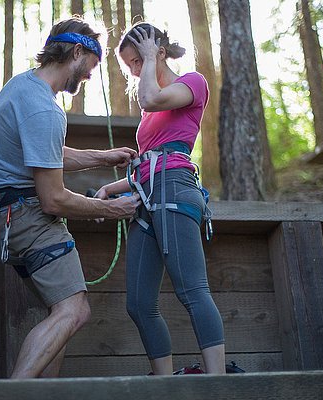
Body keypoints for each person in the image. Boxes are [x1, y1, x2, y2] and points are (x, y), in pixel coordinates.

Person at [0, 17, 141, 379]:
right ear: (77, 52)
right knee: (74, 311)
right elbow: (53, 200)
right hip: (28, 219)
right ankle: (13, 393)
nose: (88, 78)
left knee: (62, 316)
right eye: (91, 68)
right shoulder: (44, 108)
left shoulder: (23, 87)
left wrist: (102, 156)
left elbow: (42, 152)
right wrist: (113, 207)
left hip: (4, 220)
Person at [95, 22, 226, 375]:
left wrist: (151, 59)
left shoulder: (192, 83)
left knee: (192, 291)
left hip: (176, 189)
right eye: (131, 66)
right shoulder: (150, 109)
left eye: (138, 61)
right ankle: (165, 384)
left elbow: (150, 97)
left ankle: (220, 384)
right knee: (139, 304)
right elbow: (148, 164)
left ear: (159, 53)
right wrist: (111, 189)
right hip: (148, 196)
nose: (136, 72)